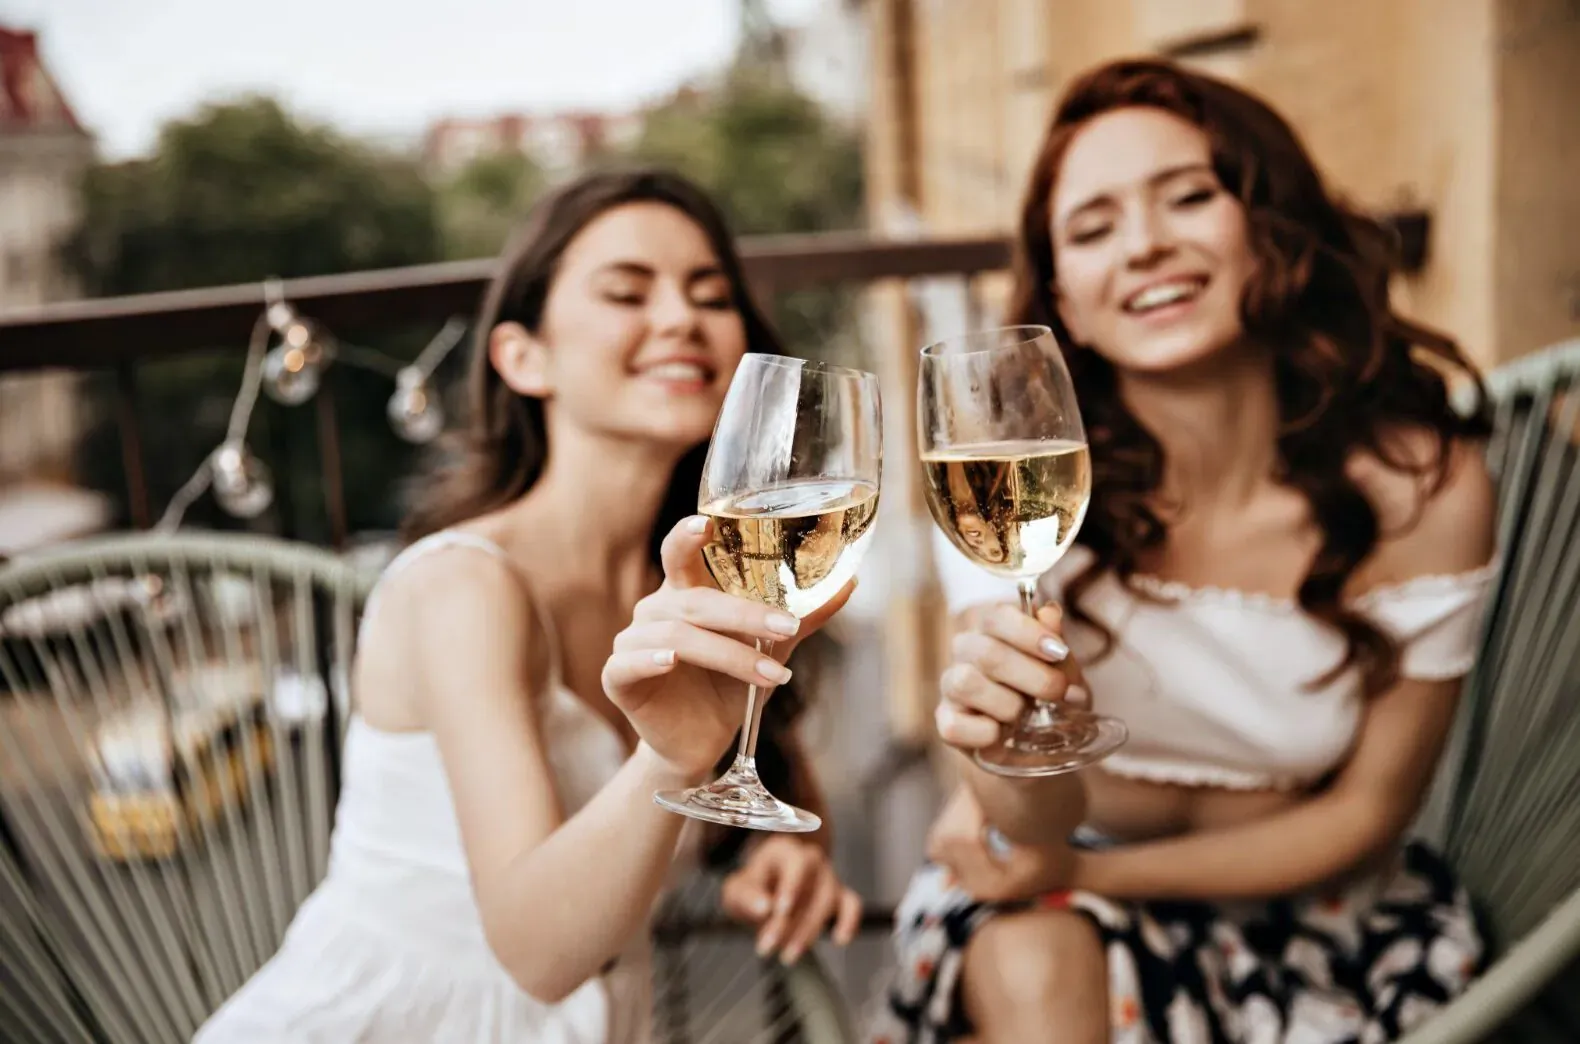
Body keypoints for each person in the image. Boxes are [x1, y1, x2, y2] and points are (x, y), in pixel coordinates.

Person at [872, 59, 1497, 1044]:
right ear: (1065, 301)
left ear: (1269, 228)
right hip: (1045, 887)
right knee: (1031, 958)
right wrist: (1004, 766)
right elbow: (1019, 817)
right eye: (1091, 229)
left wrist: (1086, 871)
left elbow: (1366, 815)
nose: (1145, 247)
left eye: (1188, 197)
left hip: (1319, 917)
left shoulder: (1418, 489)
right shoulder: (1010, 482)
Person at [196, 168, 862, 1044]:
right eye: (628, 292)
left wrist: (780, 849)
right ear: (522, 357)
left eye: (710, 294)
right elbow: (540, 956)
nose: (680, 319)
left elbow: (769, 778)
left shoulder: (713, 578)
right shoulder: (464, 587)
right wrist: (667, 762)